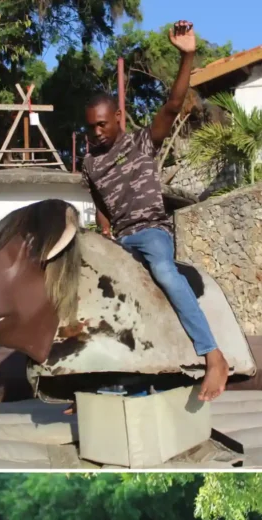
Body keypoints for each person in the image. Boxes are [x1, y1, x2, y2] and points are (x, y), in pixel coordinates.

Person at [81, 19, 228, 403]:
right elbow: (100, 205)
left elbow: (174, 104)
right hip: (121, 241)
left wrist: (188, 56)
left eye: (101, 125)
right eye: (90, 128)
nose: (96, 133)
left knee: (163, 271)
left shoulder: (143, 141)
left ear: (117, 119)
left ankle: (213, 355)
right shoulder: (89, 164)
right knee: (95, 293)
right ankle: (98, 377)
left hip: (151, 232)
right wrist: (104, 233)